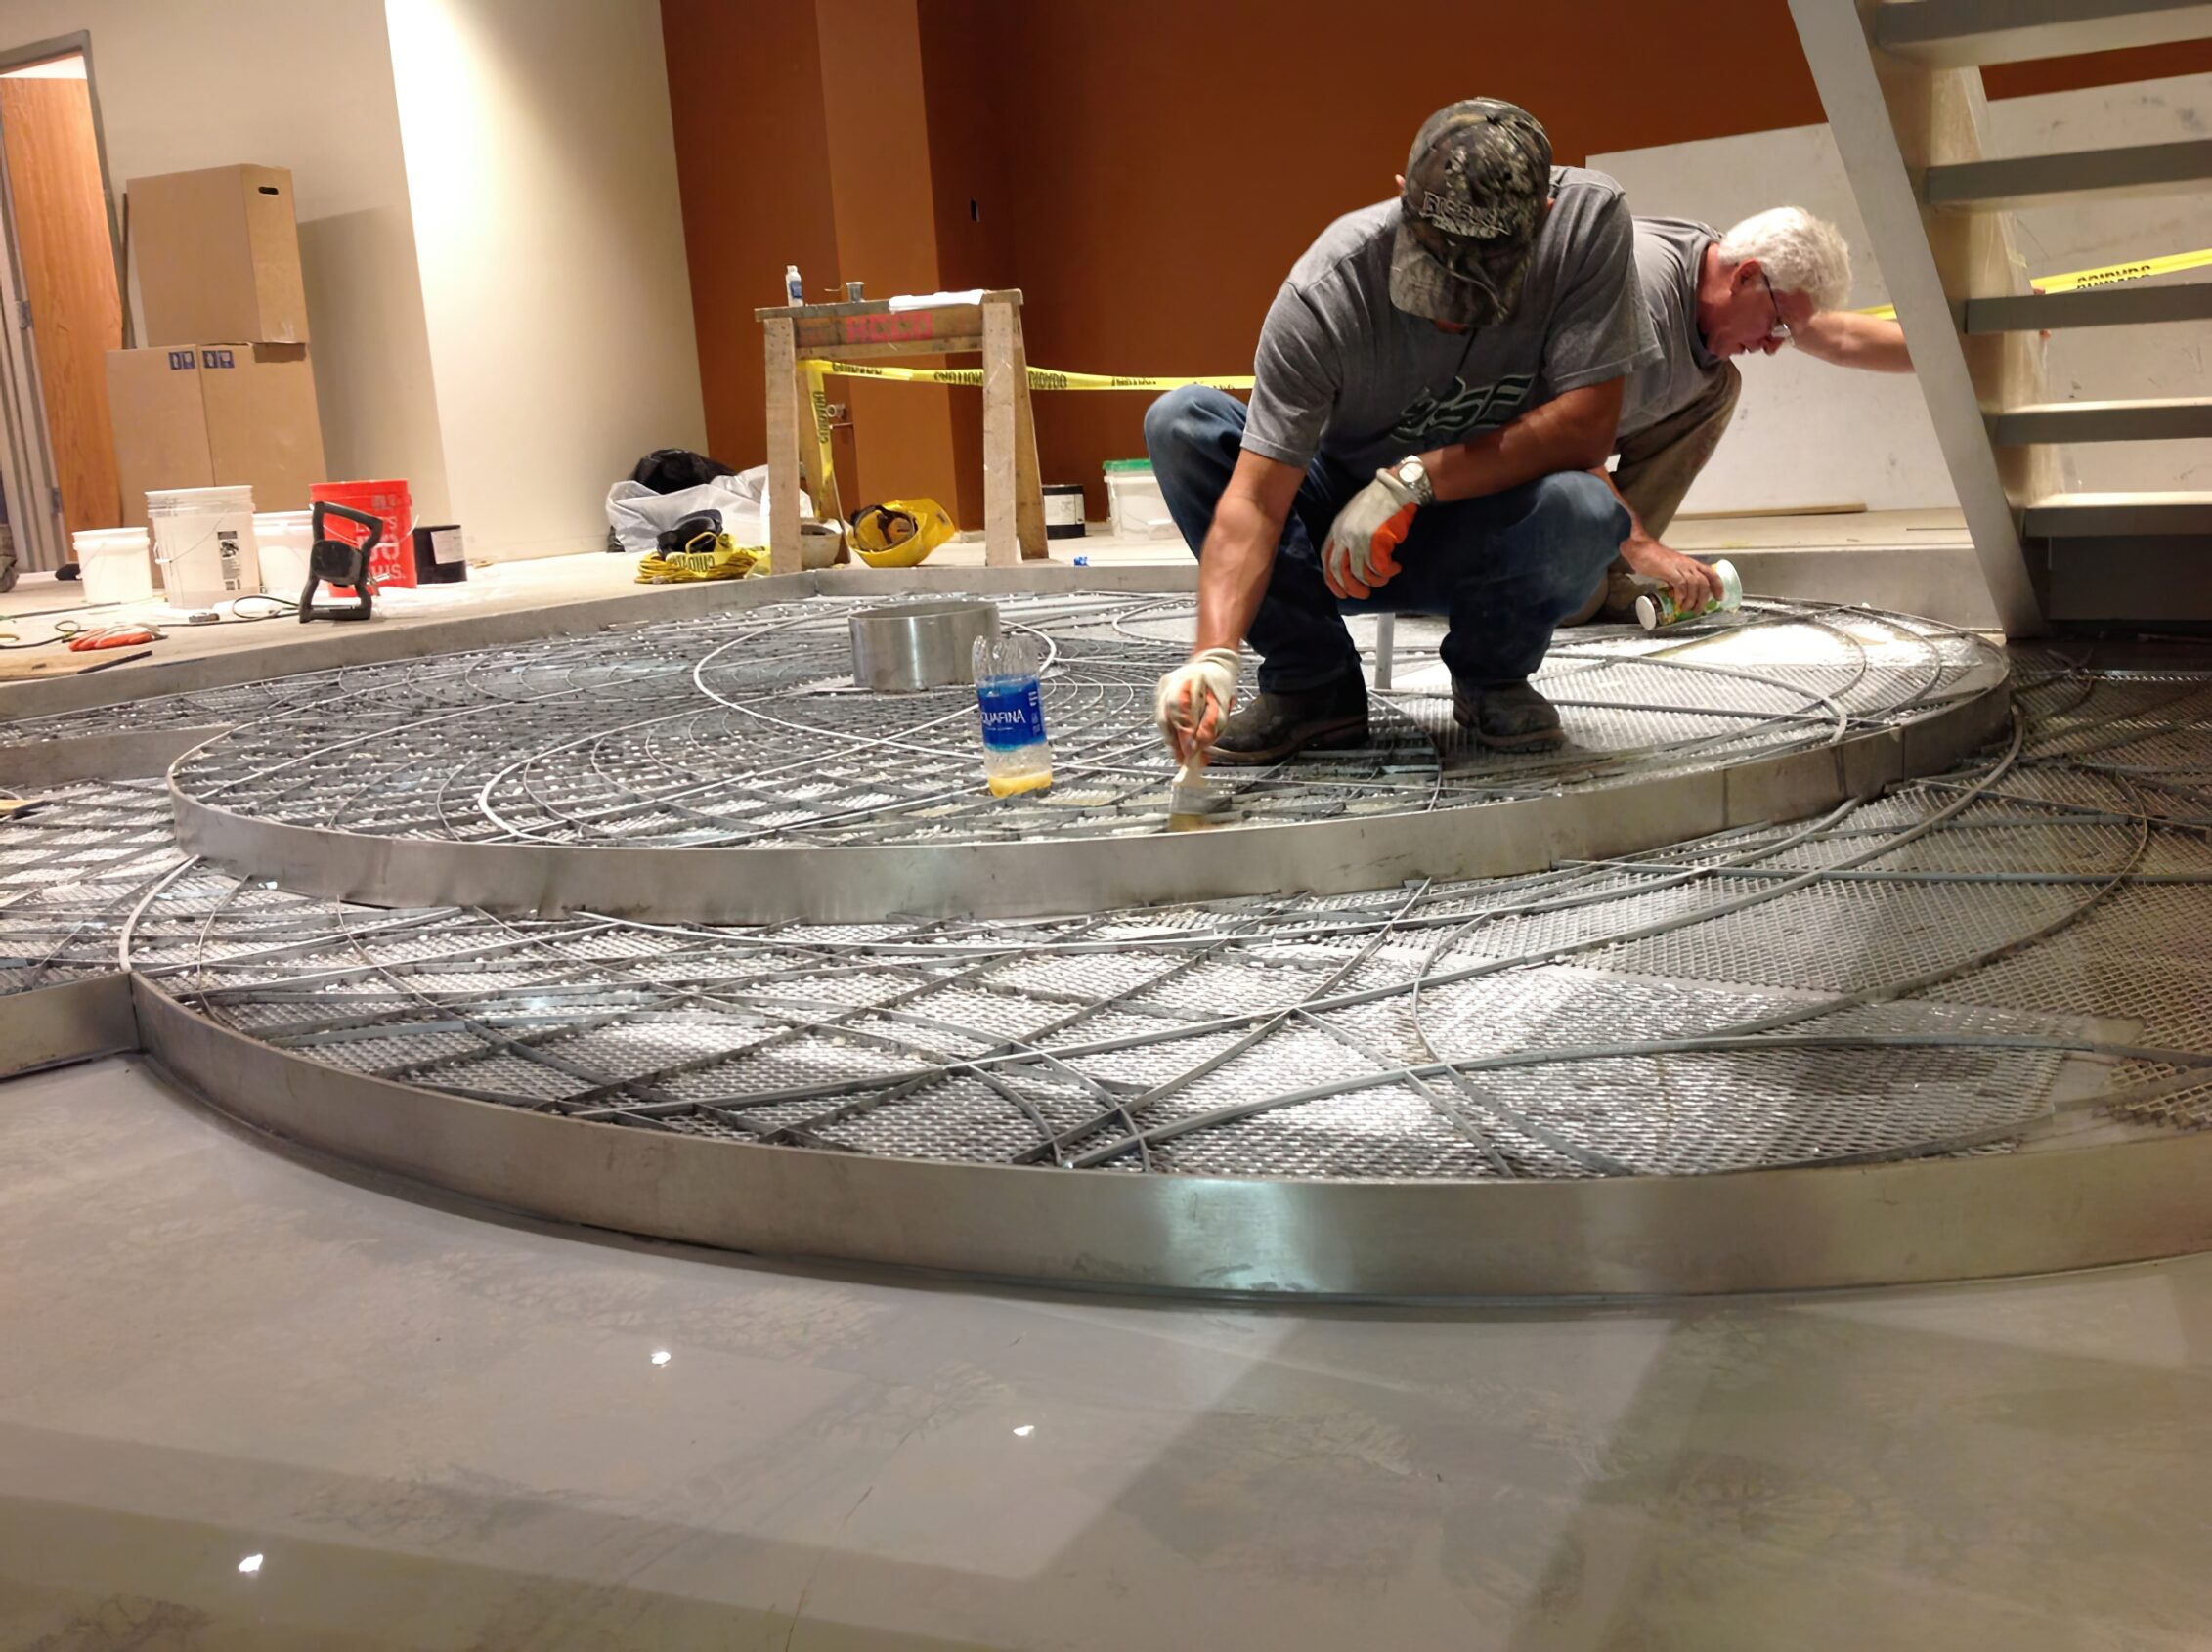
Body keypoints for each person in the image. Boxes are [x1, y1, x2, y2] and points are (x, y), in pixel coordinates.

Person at [1147, 98, 1657, 764]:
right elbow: (1253, 501)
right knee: (1182, 422)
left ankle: (1490, 677)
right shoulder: (1328, 292)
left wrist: (1413, 480)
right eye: (1433, 268)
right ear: (1400, 194)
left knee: (1584, 509)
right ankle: (1312, 687)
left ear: (1544, 220)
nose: (1450, 315)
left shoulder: (1587, 225)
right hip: (1334, 537)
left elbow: (1586, 430)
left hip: (1478, 530)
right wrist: (1213, 653)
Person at [1575, 206, 1911, 622]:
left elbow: (1839, 337)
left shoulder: (1723, 263)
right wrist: (1642, 545)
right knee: (1575, 604)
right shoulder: (1645, 300)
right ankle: (1588, 570)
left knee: (1718, 385)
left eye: (1784, 333)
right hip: (1520, 447)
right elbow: (1559, 436)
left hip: (1579, 435)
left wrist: (1959, 354)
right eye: (1776, 325)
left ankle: (1604, 565)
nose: (1772, 346)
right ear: (1746, 276)